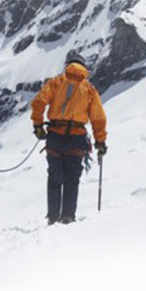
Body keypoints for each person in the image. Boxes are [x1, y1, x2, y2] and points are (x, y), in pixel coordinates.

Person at [30, 52, 107, 224]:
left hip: (55, 135)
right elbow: (98, 118)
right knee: (72, 179)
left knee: (54, 177)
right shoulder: (89, 89)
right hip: (76, 138)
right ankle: (68, 216)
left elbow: (39, 102)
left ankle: (52, 216)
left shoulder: (56, 82)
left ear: (67, 65)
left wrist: (38, 124)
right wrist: (100, 141)